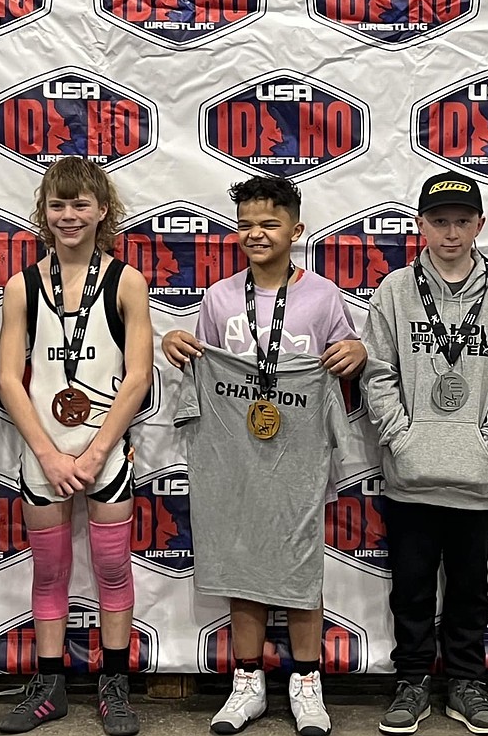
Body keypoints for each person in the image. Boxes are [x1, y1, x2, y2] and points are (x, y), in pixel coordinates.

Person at [162, 175, 366, 736]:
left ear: (296, 230)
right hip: (233, 459)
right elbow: (197, 362)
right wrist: (175, 346)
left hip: (298, 456)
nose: (256, 233)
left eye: (269, 224)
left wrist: (357, 349)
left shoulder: (324, 296)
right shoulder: (220, 297)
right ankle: (246, 681)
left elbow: (352, 352)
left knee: (300, 566)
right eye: (246, 224)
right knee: (239, 562)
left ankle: (306, 682)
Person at [361, 172, 488, 736]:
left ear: (481, 225)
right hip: (410, 476)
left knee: (468, 587)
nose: (452, 232)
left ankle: (466, 682)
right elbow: (377, 371)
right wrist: (403, 438)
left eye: (463, 221)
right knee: (410, 586)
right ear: (420, 226)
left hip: (478, 476)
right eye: (440, 221)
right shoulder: (395, 289)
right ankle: (412, 680)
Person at [0, 158, 153, 736]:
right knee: (50, 570)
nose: (69, 215)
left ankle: (114, 685)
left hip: (103, 450)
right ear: (44, 213)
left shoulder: (127, 281)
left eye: (80, 204)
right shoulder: (23, 285)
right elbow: (9, 378)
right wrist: (50, 454)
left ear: (101, 211)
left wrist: (90, 454)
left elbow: (138, 376)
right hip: (45, 451)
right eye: (58, 205)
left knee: (112, 567)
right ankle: (50, 685)